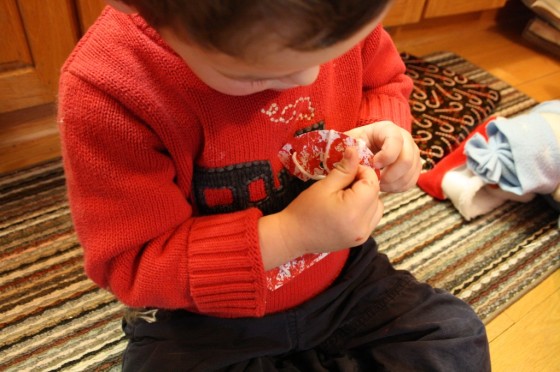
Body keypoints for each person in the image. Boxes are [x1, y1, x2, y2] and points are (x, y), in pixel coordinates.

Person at [58, 0, 491, 370]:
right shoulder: (109, 89)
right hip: (206, 318)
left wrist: (388, 134)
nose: (309, 79)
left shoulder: (336, 13)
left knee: (454, 338)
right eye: (259, 74)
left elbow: (382, 81)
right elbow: (133, 262)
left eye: (334, 52)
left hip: (342, 282)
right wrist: (290, 234)